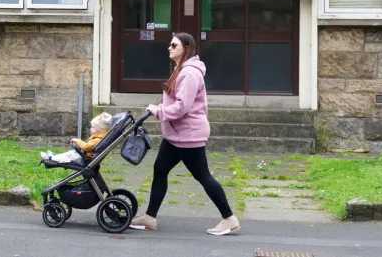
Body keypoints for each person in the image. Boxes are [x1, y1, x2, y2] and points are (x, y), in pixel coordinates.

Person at [130, 32, 240, 236]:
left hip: (188, 134)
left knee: (203, 176)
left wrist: (158, 111)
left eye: (174, 45)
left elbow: (182, 107)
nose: (169, 48)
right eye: (170, 45)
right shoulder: (180, 69)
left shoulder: (189, 73)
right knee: (160, 170)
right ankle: (150, 218)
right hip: (177, 135)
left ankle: (229, 218)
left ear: (186, 49)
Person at [40, 112, 112, 164]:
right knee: (70, 153)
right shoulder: (98, 137)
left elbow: (86, 147)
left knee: (69, 156)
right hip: (84, 155)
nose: (90, 129)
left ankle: (49, 158)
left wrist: (77, 141)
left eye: (93, 127)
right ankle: (55, 156)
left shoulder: (98, 140)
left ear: (100, 130)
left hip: (85, 159)